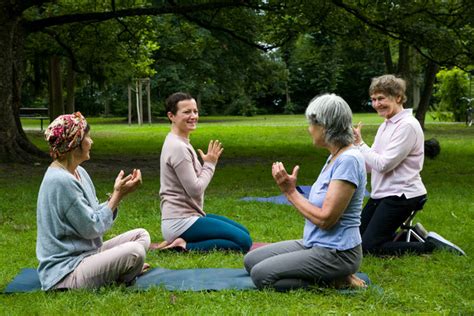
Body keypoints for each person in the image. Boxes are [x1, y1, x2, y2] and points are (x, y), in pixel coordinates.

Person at [244, 94, 367, 291]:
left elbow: (326, 220)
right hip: (315, 243)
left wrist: (290, 192)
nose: (309, 129)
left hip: (338, 253)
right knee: (251, 261)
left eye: (311, 123)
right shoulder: (335, 156)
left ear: (325, 126)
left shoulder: (349, 160)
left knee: (261, 276)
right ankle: (329, 275)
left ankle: (335, 279)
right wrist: (292, 190)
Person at [36, 112, 150, 291]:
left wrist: (117, 195)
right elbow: (92, 228)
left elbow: (93, 212)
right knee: (135, 252)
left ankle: (122, 269)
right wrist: (117, 196)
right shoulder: (61, 181)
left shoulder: (78, 172)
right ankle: (124, 272)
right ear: (75, 144)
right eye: (87, 136)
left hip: (87, 253)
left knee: (141, 235)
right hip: (66, 271)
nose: (91, 141)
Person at [354, 74, 465, 256]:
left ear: (398, 97)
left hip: (402, 195)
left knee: (369, 247)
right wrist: (351, 151)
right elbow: (371, 164)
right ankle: (411, 236)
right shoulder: (386, 125)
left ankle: (430, 247)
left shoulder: (407, 126)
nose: (376, 104)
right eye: (373, 99)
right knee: (356, 241)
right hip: (382, 193)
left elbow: (383, 165)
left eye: (381, 98)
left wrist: (360, 145)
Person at [158, 92, 252, 252]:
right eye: (186, 112)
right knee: (243, 242)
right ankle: (184, 245)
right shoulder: (178, 147)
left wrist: (206, 164)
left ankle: (179, 240)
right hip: (180, 221)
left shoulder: (179, 141)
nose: (193, 116)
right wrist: (209, 165)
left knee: (244, 233)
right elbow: (195, 190)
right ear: (171, 116)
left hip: (188, 217)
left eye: (195, 111)